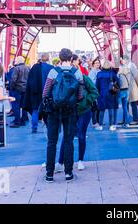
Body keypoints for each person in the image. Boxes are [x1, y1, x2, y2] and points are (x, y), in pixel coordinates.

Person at [42, 48, 84, 183]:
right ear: (71, 58)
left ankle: (49, 174)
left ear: (59, 58)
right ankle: (68, 173)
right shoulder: (77, 72)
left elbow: (45, 92)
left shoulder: (53, 71)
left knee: (51, 142)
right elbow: (80, 94)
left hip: (54, 111)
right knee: (68, 141)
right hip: (70, 110)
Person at [57, 73, 99, 171]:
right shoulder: (64, 77)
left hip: (84, 111)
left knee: (81, 135)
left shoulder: (84, 78)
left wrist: (86, 101)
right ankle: (60, 162)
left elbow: (94, 91)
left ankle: (80, 160)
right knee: (66, 136)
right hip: (70, 111)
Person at [23, 53, 54, 133]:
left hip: (36, 93)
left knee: (35, 110)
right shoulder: (51, 68)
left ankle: (34, 128)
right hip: (48, 93)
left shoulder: (34, 67)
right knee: (48, 111)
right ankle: (48, 127)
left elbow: (30, 80)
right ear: (48, 59)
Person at [95, 60, 119, 131]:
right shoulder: (112, 74)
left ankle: (100, 125)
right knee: (110, 109)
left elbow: (97, 85)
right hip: (111, 94)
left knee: (101, 110)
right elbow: (118, 82)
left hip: (101, 94)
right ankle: (111, 125)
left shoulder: (99, 74)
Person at [9, 56, 30, 128]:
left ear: (18, 61)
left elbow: (13, 80)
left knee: (16, 106)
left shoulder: (16, 68)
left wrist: (11, 88)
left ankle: (17, 122)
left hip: (17, 89)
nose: (15, 61)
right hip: (25, 89)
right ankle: (23, 120)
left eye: (16, 60)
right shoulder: (28, 68)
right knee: (24, 106)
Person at [123, 55, 138, 125]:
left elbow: (137, 75)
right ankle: (126, 119)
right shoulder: (124, 66)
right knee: (125, 104)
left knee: (133, 104)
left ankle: (135, 119)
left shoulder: (132, 65)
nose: (123, 61)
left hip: (132, 87)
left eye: (124, 60)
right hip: (125, 88)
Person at [117, 59, 131, 128]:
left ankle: (116, 122)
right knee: (125, 107)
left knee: (119, 107)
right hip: (127, 89)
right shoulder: (128, 70)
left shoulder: (119, 72)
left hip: (121, 90)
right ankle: (126, 122)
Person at [88, 57, 101, 128]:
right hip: (94, 92)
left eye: (98, 63)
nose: (97, 64)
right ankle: (94, 122)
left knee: (99, 107)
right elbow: (91, 82)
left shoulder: (100, 71)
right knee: (94, 107)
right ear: (93, 64)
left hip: (100, 91)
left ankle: (98, 121)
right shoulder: (92, 72)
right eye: (96, 63)